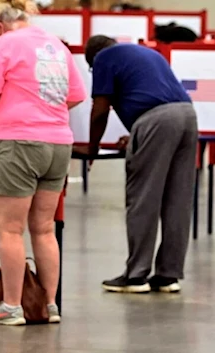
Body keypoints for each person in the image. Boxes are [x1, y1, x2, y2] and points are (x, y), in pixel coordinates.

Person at [0, 0, 86, 326]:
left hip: (20, 142)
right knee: (45, 228)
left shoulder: (3, 44)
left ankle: (11, 306)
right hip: (58, 144)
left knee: (10, 229)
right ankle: (48, 305)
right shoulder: (56, 44)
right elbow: (76, 95)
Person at [80, 35, 197, 294]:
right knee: (177, 200)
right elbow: (154, 96)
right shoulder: (144, 53)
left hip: (156, 122)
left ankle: (136, 276)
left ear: (93, 57)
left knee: (143, 197)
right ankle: (168, 275)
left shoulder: (103, 58)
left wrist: (91, 149)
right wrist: (137, 134)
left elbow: (100, 110)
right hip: (187, 116)